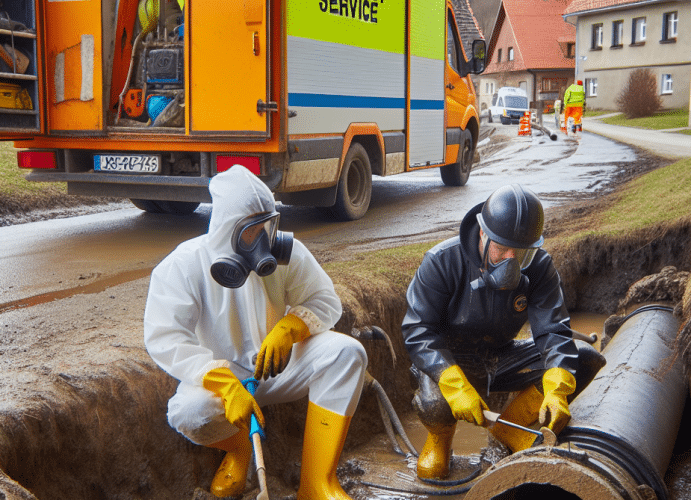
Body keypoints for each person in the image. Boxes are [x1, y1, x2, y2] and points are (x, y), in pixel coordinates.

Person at [144, 165, 367, 499]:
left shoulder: (287, 254)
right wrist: (221, 380)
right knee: (188, 412)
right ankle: (237, 450)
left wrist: (292, 327)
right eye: (252, 229)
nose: (264, 238)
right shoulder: (183, 266)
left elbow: (325, 300)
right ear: (225, 230)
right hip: (224, 382)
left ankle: (316, 484)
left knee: (348, 354)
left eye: (269, 224)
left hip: (279, 367)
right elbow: (165, 337)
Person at [401, 184, 606, 480]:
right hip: (451, 359)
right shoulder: (442, 262)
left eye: (521, 253)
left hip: (501, 357)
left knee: (583, 360)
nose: (511, 260)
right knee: (436, 402)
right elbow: (418, 331)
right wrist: (455, 386)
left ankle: (507, 429)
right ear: (483, 233)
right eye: (501, 248)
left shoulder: (539, 268)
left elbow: (553, 332)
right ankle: (440, 441)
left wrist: (557, 389)